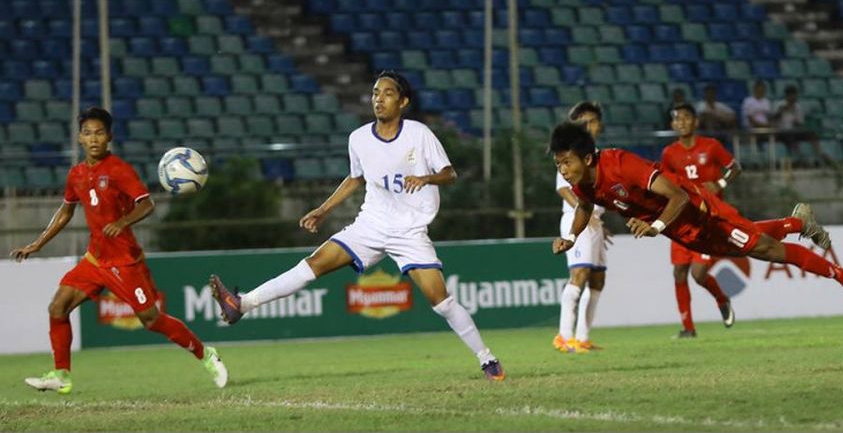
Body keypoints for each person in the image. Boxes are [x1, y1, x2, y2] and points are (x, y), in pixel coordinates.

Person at [207, 71, 505, 381]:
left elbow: (450, 174)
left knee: (441, 301)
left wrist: (426, 178)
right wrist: (323, 209)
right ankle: (241, 304)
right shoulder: (359, 138)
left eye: (388, 93)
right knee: (312, 265)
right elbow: (355, 179)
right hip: (371, 225)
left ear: (403, 102)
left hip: (409, 230)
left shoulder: (419, 134)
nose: (379, 98)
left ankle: (487, 359)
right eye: (376, 92)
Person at [548, 121, 843, 317]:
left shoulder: (620, 164)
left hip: (699, 210)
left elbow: (678, 196)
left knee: (766, 250)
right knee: (750, 245)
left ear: (589, 157)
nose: (563, 170)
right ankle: (797, 223)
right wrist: (573, 237)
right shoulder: (587, 184)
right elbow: (583, 208)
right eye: (559, 164)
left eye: (567, 162)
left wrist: (655, 226)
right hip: (681, 230)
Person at [9, 107, 227, 394]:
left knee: (151, 320)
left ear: (109, 136)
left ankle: (205, 354)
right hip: (95, 259)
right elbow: (65, 211)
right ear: (79, 138)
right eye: (87, 133)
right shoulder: (76, 174)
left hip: (124, 261)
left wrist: (122, 222)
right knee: (57, 308)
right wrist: (37, 243)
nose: (94, 138)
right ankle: (61, 375)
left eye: (99, 132)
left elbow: (147, 204)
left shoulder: (119, 170)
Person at [660, 104, 741, 338]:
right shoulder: (669, 153)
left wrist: (720, 184)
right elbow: (664, 184)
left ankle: (721, 298)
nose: (682, 122)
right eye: (677, 118)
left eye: (686, 117)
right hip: (681, 220)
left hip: (707, 220)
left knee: (698, 274)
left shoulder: (711, 146)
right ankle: (688, 328)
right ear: (672, 124)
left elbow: (735, 167)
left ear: (696, 122)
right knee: (678, 273)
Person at [553, 101, 612, 354]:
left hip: (595, 223)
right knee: (579, 275)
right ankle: (564, 337)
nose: (589, 126)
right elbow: (564, 188)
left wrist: (598, 218)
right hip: (578, 220)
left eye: (593, 121)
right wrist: (585, 212)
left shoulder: (597, 154)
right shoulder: (570, 153)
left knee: (598, 279)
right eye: (584, 122)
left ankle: (582, 337)